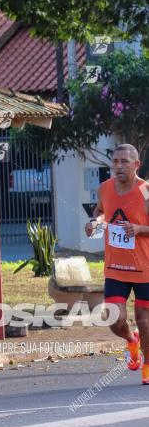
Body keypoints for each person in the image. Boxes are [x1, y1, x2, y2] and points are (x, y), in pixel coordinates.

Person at [85, 144, 149, 382]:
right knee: (113, 318)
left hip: (145, 268)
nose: (119, 166)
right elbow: (101, 211)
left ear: (136, 165)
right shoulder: (105, 188)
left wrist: (140, 229)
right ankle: (132, 342)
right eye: (115, 162)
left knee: (145, 320)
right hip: (116, 268)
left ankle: (147, 366)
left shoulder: (146, 192)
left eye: (125, 162)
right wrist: (96, 223)